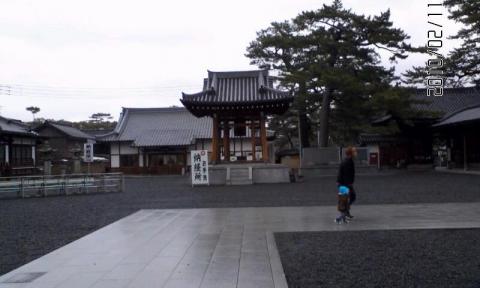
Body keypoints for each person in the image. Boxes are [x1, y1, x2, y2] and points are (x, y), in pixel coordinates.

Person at [337, 146, 357, 219]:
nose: (356, 153)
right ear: (350, 153)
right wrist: (347, 184)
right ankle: (343, 214)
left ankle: (346, 211)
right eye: (354, 151)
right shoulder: (347, 161)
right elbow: (344, 174)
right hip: (344, 183)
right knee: (344, 199)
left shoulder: (350, 160)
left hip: (347, 183)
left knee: (352, 197)